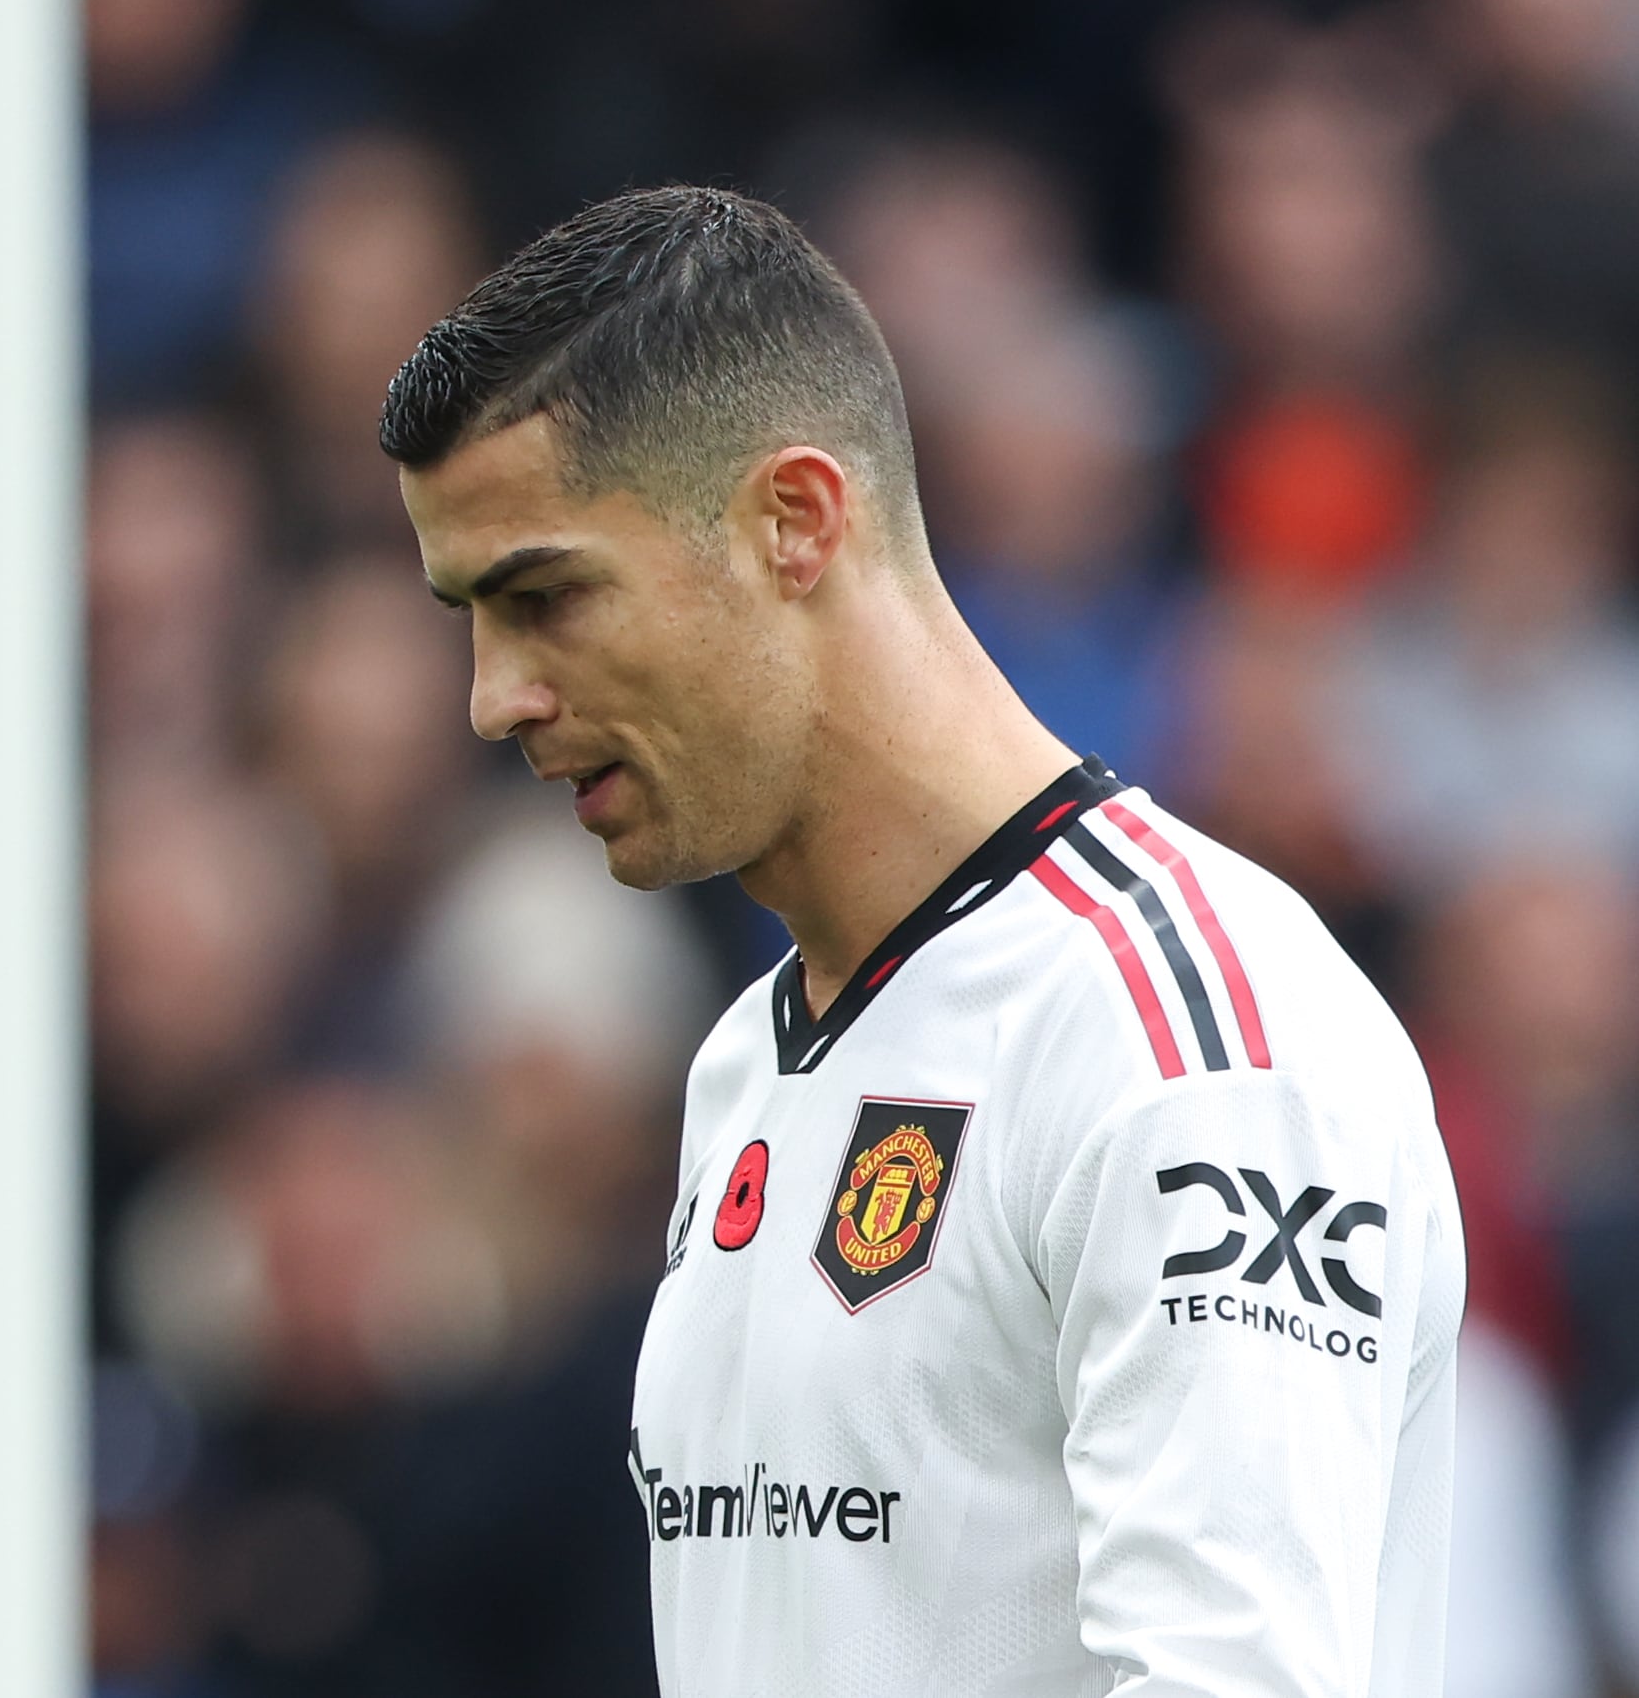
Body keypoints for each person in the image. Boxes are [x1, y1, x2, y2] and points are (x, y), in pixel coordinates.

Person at [377, 183, 1464, 1696]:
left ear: (797, 520)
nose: (496, 698)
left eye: (549, 596)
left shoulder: (1189, 1044)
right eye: (470, 621)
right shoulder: (744, 1068)